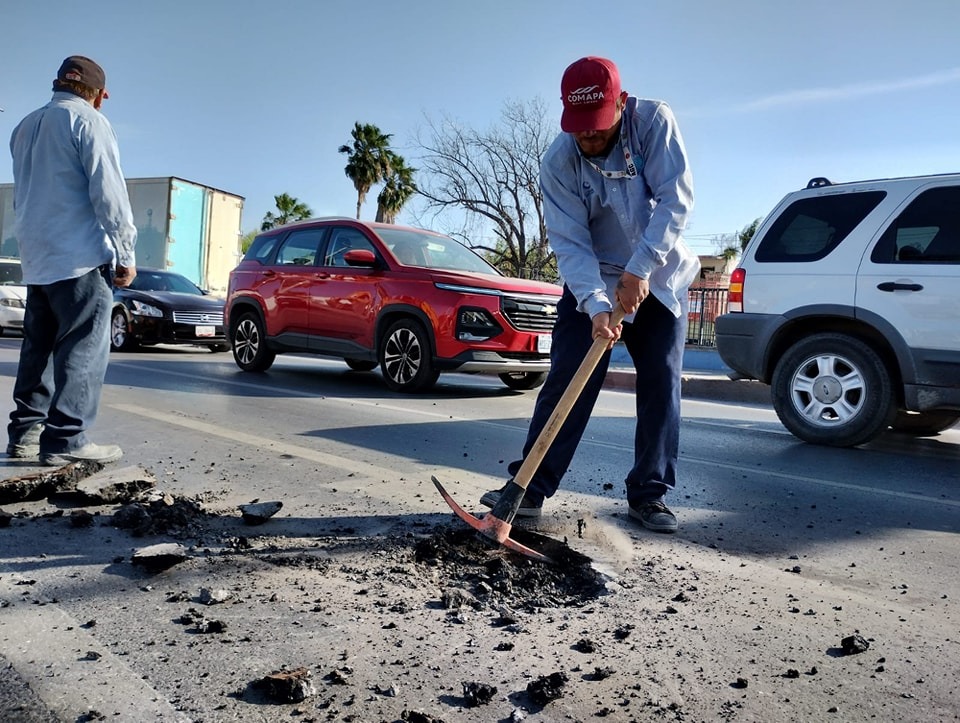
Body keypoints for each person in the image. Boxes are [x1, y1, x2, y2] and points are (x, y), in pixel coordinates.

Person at [480, 56, 698, 532]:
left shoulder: (654, 123)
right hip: (594, 278)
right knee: (567, 375)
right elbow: (570, 243)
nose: (589, 138)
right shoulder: (558, 162)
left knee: (661, 378)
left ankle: (649, 494)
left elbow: (675, 200)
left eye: (597, 128)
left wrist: (640, 269)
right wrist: (597, 305)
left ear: (621, 103)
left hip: (657, 276)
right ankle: (528, 489)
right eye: (580, 129)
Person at [6, 56, 137, 466]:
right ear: (100, 96)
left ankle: (25, 434)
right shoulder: (90, 122)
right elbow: (108, 192)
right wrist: (126, 251)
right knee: (82, 347)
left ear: (58, 84)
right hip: (80, 257)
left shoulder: (23, 126)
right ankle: (67, 439)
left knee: (38, 349)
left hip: (38, 257)